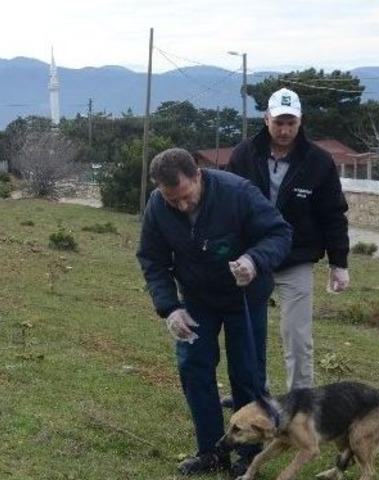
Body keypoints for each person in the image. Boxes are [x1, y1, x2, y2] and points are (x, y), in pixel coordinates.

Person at [136, 148, 292, 476]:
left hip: (244, 297)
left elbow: (279, 233)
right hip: (196, 300)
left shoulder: (238, 193)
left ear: (198, 176)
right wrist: (170, 308)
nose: (180, 205)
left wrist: (254, 260)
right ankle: (211, 452)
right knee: (194, 367)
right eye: (171, 199)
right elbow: (152, 259)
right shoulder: (156, 206)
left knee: (247, 373)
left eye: (185, 196)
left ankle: (250, 454)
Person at [226, 87, 350, 394]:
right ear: (266, 119)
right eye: (278, 122)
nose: (284, 130)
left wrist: (339, 263)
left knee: (297, 335)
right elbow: (227, 204)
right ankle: (256, 395)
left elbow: (333, 213)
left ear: (300, 122)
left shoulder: (319, 162)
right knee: (249, 332)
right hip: (252, 259)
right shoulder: (244, 154)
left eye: (291, 123)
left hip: (296, 258)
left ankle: (301, 401)